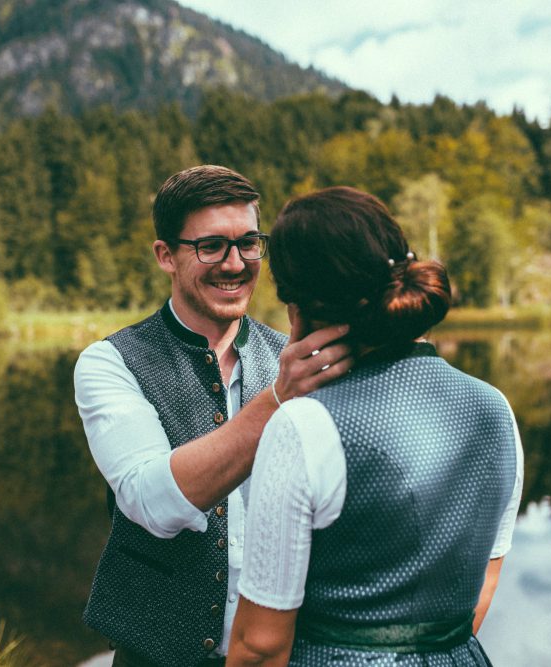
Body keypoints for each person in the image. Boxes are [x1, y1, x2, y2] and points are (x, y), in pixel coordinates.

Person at [228, 186, 524, 666]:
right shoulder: (496, 409)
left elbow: (259, 647)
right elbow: (483, 585)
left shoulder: (305, 426)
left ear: (296, 309)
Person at [74, 166, 353, 667]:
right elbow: (152, 501)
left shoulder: (291, 353)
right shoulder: (109, 361)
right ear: (166, 255)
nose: (235, 264)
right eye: (211, 247)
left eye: (249, 243)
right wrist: (281, 395)